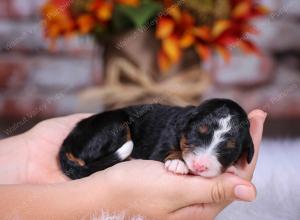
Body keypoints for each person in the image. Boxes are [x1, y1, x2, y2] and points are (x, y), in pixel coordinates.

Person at [0, 110, 266, 220]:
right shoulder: (170, 132)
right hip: (92, 138)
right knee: (119, 132)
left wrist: (26, 153)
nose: (201, 159)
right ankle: (95, 161)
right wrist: (102, 195)